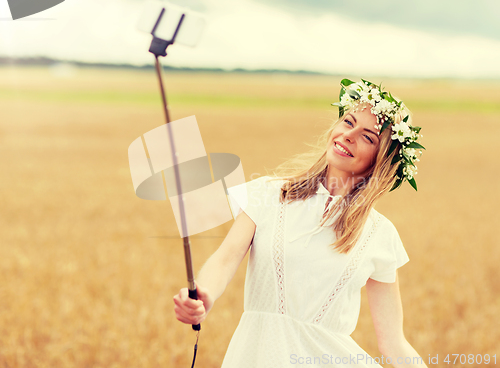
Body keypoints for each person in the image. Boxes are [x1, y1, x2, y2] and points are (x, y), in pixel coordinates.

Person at [173, 79, 428, 368]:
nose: (348, 135)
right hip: (256, 357)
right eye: (347, 122)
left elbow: (393, 342)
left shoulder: (380, 234)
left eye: (367, 137)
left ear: (379, 161)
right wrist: (203, 295)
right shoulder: (269, 193)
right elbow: (225, 259)